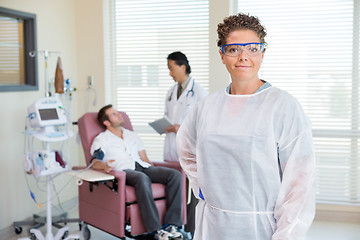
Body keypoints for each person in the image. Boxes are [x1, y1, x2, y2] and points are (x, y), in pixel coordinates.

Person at [176, 13, 316, 240]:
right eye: (233, 49)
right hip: (212, 223)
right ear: (222, 55)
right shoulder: (207, 106)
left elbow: (300, 184)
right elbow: (185, 146)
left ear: (262, 53)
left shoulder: (283, 106)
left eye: (252, 48)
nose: (243, 56)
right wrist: (201, 184)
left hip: (260, 226)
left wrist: (287, 235)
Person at [90, 104, 184, 240]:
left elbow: (145, 158)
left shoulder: (132, 135)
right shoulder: (102, 139)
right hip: (123, 170)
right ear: (106, 122)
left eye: (117, 112)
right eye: (114, 114)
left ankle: (172, 224)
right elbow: (95, 161)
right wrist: (104, 166)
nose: (119, 114)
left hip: (142, 166)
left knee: (174, 175)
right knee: (141, 178)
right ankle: (155, 230)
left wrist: (156, 170)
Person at [164, 51, 207, 237]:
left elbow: (203, 123)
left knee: (193, 191)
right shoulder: (172, 91)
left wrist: (181, 127)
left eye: (171, 68)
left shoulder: (199, 92)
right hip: (172, 147)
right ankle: (175, 227)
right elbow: (168, 115)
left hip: (190, 148)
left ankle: (191, 230)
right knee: (176, 188)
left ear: (183, 67)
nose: (170, 73)